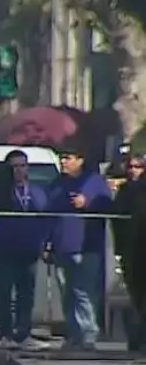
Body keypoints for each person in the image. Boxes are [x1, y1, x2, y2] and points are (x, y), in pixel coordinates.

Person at [44, 148, 113, 351]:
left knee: (84, 292)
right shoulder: (56, 185)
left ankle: (89, 333)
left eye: (68, 158)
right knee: (67, 293)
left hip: (87, 247)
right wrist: (46, 244)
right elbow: (48, 217)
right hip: (61, 247)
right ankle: (73, 334)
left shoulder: (95, 181)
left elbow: (109, 206)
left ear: (80, 159)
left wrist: (87, 203)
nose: (63, 161)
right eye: (61, 158)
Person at [0, 150, 50, 350]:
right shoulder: (0, 192)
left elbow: (45, 219)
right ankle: (6, 334)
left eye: (22, 165)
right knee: (5, 293)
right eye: (14, 166)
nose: (19, 170)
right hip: (6, 249)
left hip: (29, 250)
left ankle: (23, 334)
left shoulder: (37, 192)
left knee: (27, 294)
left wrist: (44, 243)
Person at [112, 152, 146, 351]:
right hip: (131, 250)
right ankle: (137, 338)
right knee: (135, 295)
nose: (134, 171)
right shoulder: (126, 191)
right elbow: (118, 219)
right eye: (131, 167)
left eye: (138, 167)